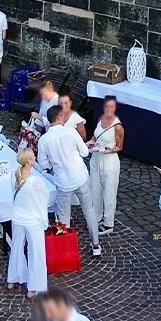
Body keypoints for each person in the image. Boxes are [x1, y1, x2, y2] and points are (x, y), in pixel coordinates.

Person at [37, 105, 102, 256]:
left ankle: (65, 250)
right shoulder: (71, 132)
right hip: (80, 177)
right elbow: (85, 153)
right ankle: (96, 245)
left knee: (63, 216)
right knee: (89, 210)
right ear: (59, 117)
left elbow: (44, 164)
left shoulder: (44, 140)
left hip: (62, 182)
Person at [6, 147, 50, 297]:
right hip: (32, 221)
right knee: (36, 253)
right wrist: (44, 220)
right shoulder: (36, 181)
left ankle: (12, 277)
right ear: (30, 161)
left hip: (18, 218)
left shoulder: (14, 176)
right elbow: (44, 199)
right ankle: (34, 285)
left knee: (17, 248)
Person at [88, 96, 124, 235]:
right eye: (107, 106)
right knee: (95, 189)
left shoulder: (117, 127)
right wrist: (89, 144)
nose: (109, 109)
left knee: (109, 192)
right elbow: (94, 138)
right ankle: (96, 218)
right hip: (96, 159)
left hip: (109, 162)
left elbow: (119, 147)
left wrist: (106, 149)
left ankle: (109, 222)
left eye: (112, 107)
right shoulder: (100, 119)